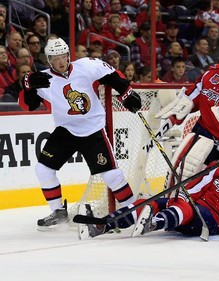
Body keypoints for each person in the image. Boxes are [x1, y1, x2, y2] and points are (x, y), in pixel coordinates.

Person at [18, 38, 142, 229]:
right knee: (43, 170)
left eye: (63, 56)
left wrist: (126, 94)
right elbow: (28, 105)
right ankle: (58, 211)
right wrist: (27, 84)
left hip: (92, 129)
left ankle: (134, 210)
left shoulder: (86, 66)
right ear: (49, 60)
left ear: (68, 55)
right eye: (55, 58)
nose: (60, 61)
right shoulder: (43, 79)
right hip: (66, 131)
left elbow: (113, 76)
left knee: (111, 175)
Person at [80, 158, 219, 239]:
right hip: (192, 205)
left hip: (212, 222)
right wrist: (184, 196)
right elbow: (198, 185)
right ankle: (104, 224)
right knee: (153, 201)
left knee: (188, 208)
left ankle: (155, 223)